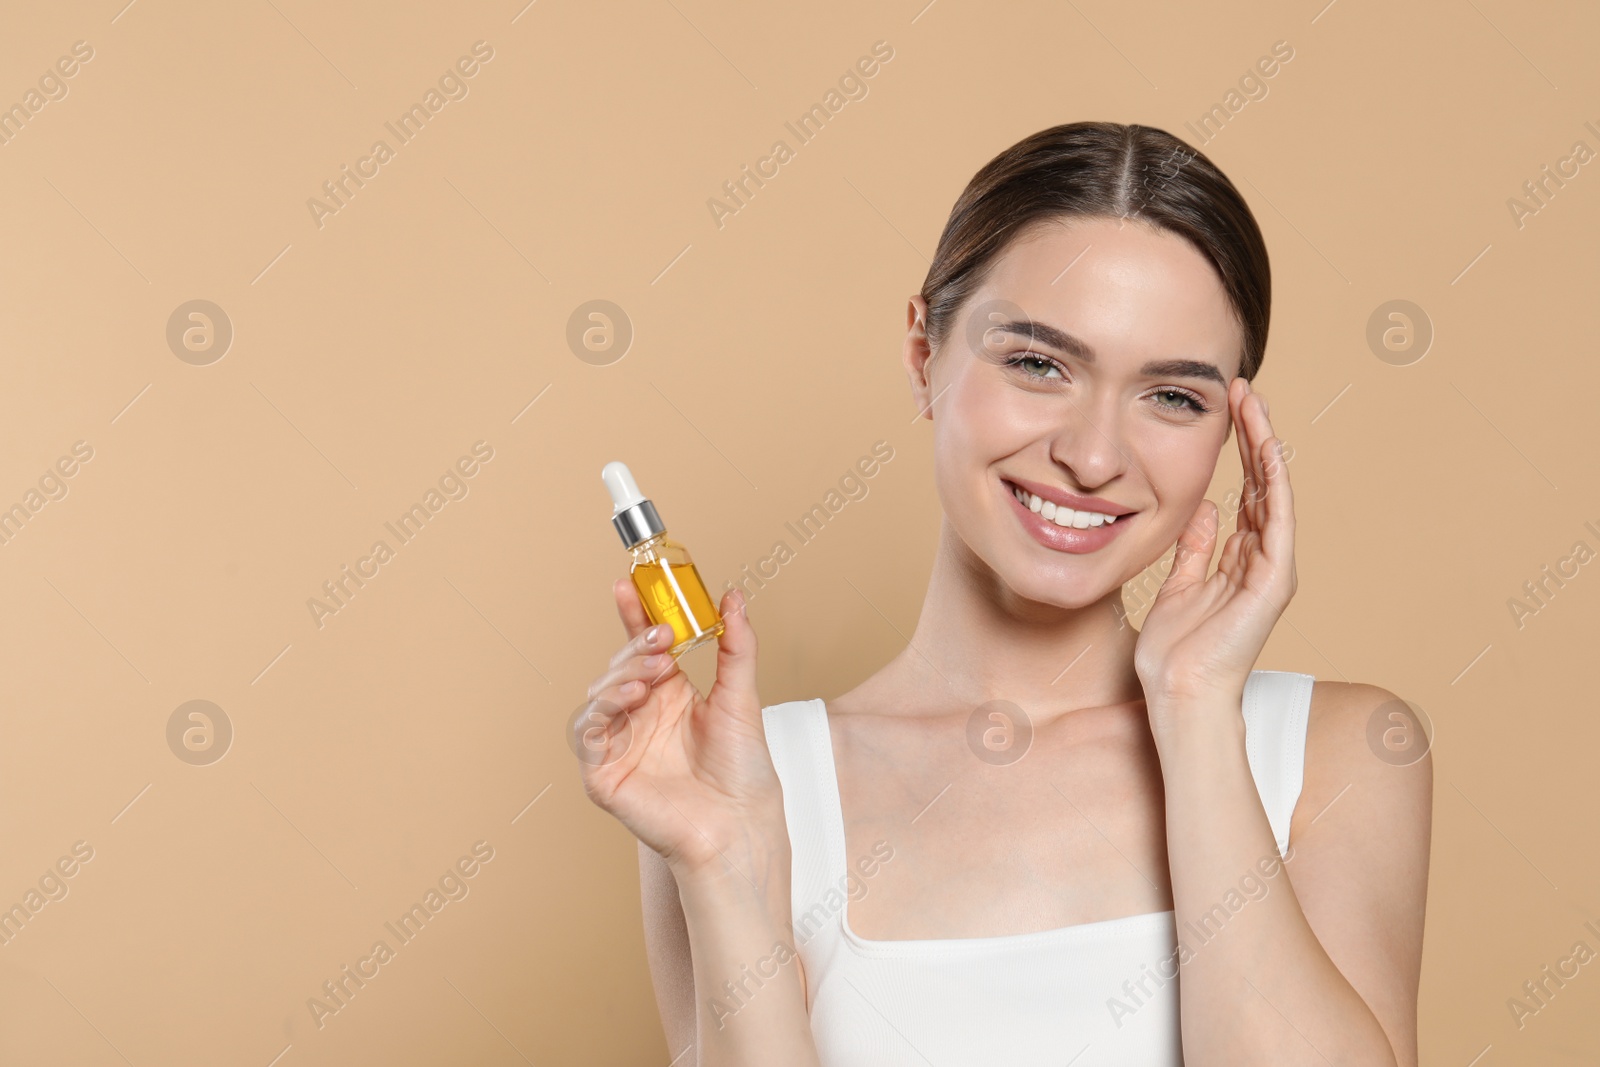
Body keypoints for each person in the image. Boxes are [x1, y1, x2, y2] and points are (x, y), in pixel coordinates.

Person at [575, 121, 1432, 1066]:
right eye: (1038, 363)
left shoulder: (1338, 756)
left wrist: (1193, 713)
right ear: (923, 356)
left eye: (1173, 397)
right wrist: (723, 857)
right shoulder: (736, 781)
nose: (1094, 455)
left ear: (1233, 428)